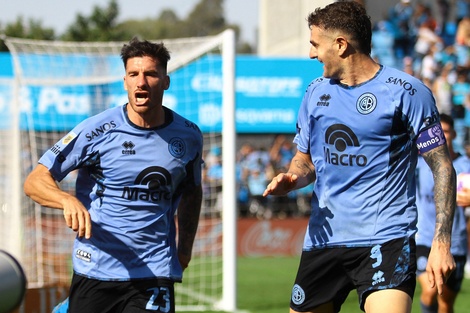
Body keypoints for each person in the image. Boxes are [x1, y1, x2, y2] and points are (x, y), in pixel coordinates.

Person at [263, 1, 456, 313]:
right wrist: (294, 177)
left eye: (315, 44)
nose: (311, 54)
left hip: (386, 238)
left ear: (341, 45)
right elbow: (305, 159)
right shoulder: (314, 93)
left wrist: (441, 243)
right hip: (324, 240)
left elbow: (442, 167)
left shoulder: (407, 92)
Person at [23, 38, 204, 313]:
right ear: (125, 81)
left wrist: (185, 248)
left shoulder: (189, 136)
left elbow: (192, 191)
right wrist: (65, 200)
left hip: (153, 271)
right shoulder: (96, 130)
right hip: (96, 268)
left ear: (166, 81)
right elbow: (35, 181)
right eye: (134, 74)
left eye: (151, 74)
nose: (141, 82)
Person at [415, 113, 469, 313]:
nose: (442, 135)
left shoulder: (465, 166)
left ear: (454, 133)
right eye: (438, 131)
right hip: (424, 239)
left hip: (456, 242)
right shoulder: (420, 164)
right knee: (431, 291)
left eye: (445, 131)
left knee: (446, 303)